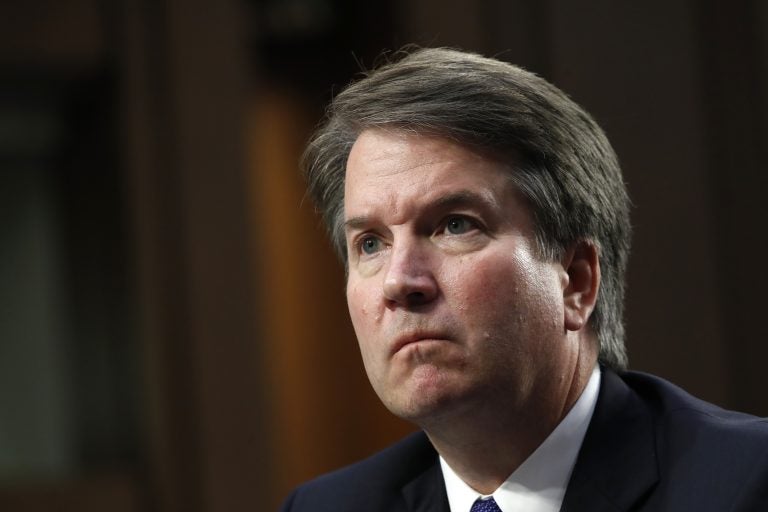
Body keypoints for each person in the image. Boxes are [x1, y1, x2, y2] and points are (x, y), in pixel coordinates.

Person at [279, 47, 768, 512]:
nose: (399, 282)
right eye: (371, 243)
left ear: (576, 281)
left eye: (455, 225)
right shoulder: (327, 507)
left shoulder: (745, 484)